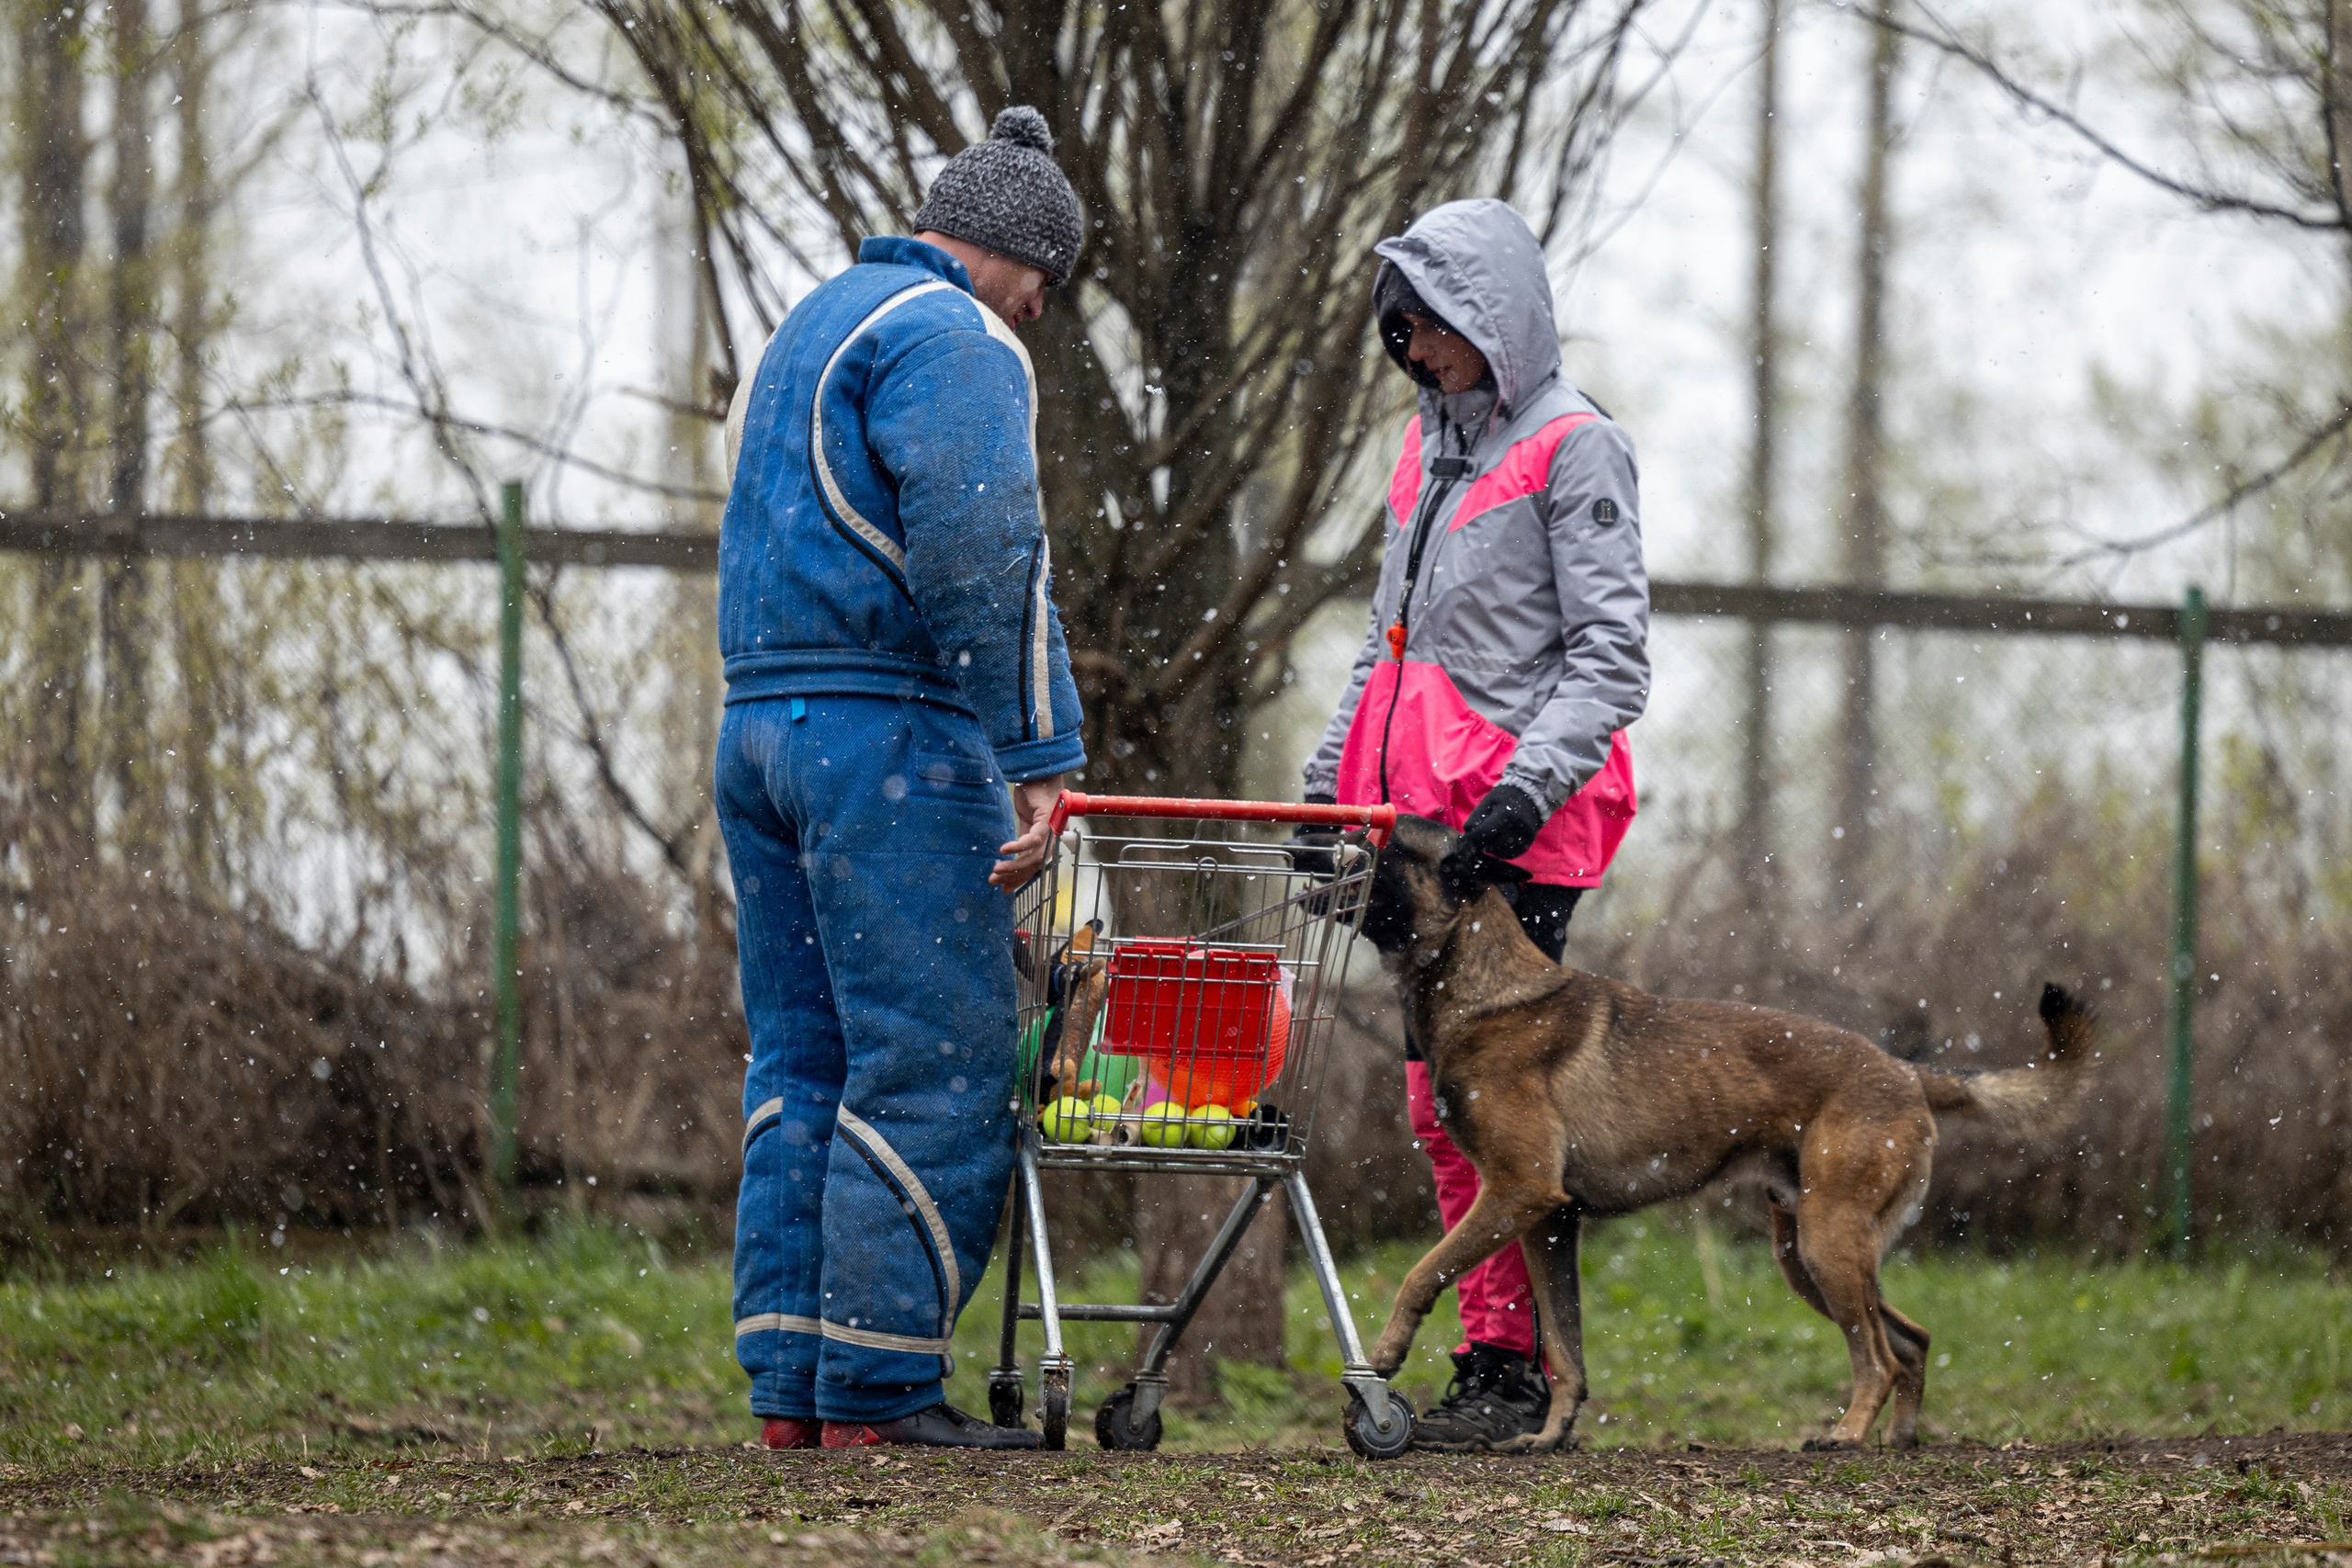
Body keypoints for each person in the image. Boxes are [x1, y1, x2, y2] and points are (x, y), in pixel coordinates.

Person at [716, 107, 1087, 1450]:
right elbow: (987, 556)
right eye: (1044, 274)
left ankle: (797, 1389)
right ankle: (879, 1391)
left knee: (803, 1057)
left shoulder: (813, 323)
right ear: (1001, 248)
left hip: (758, 727)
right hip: (883, 739)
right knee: (932, 1059)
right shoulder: (954, 338)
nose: (1041, 306)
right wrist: (1041, 755)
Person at [1301, 197, 1650, 1451]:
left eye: (1437, 328)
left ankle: (1506, 1372)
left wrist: (1522, 791)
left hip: (1513, 840)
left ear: (1495, 322)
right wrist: (1328, 788)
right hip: (1420, 828)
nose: (1418, 350)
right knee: (1434, 1103)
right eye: (1402, 330)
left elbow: (1610, 661)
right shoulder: (1423, 448)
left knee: (1493, 1111)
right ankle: (1508, 1363)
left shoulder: (1574, 448)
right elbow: (1388, 650)